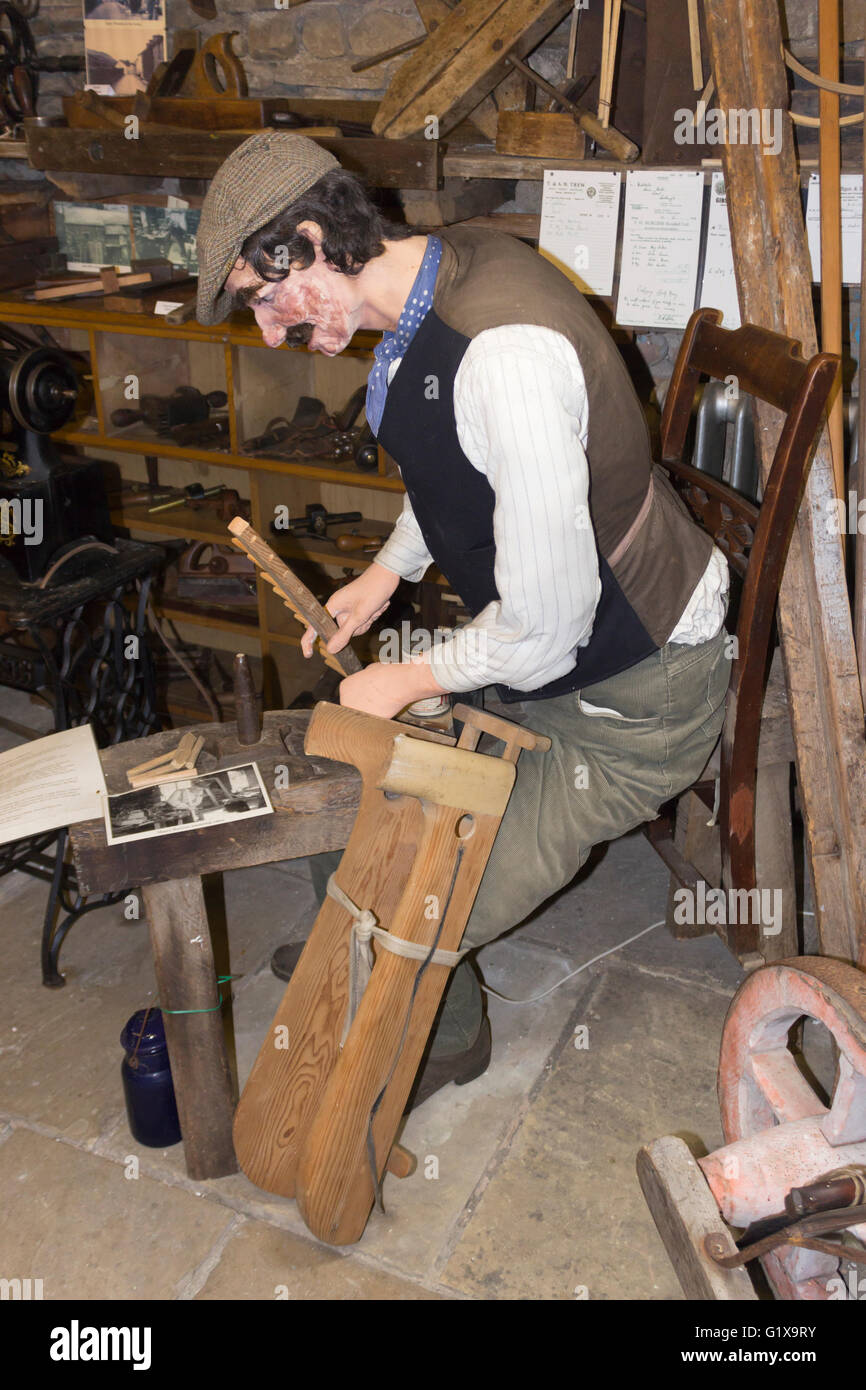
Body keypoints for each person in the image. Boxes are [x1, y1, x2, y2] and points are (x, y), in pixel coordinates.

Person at [196, 133, 730, 1106]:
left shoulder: (503, 355)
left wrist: (405, 675)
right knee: (360, 811)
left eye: (263, 297)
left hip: (629, 700)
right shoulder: (429, 275)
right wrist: (385, 576)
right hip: (550, 658)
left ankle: (442, 1030)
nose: (268, 332)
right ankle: (371, 950)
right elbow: (462, 460)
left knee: (407, 895)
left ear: (307, 241)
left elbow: (549, 623)